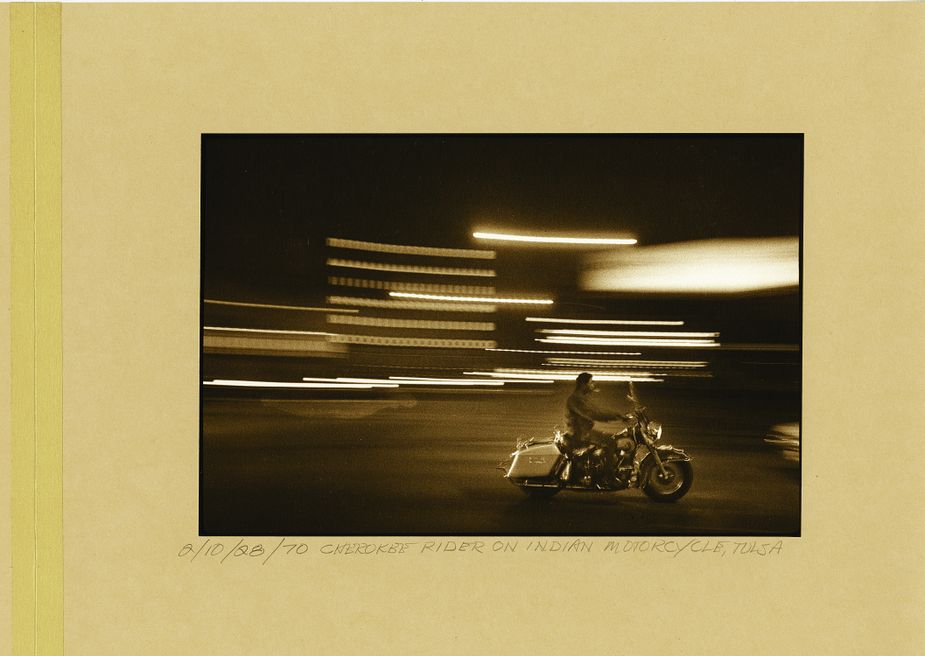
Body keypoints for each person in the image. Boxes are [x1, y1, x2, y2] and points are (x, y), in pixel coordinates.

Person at [564, 372, 633, 486]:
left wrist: (618, 415)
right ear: (583, 384)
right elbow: (594, 414)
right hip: (579, 433)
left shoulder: (581, 397)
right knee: (611, 441)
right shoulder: (576, 399)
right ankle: (609, 477)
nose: (593, 385)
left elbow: (598, 410)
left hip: (583, 431)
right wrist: (617, 416)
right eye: (591, 382)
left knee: (614, 438)